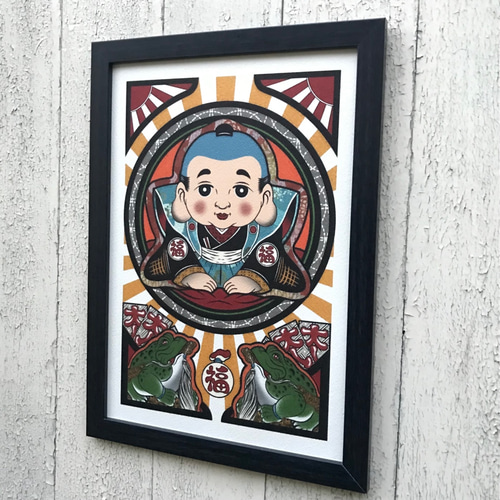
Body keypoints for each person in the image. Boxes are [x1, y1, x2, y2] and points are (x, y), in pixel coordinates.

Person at [140, 119, 309, 299]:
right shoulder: (181, 227)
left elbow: (269, 255)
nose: (222, 204)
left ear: (265, 197)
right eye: (205, 190)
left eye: (241, 190)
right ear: (182, 195)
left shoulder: (265, 232)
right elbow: (176, 250)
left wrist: (253, 277)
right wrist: (189, 272)